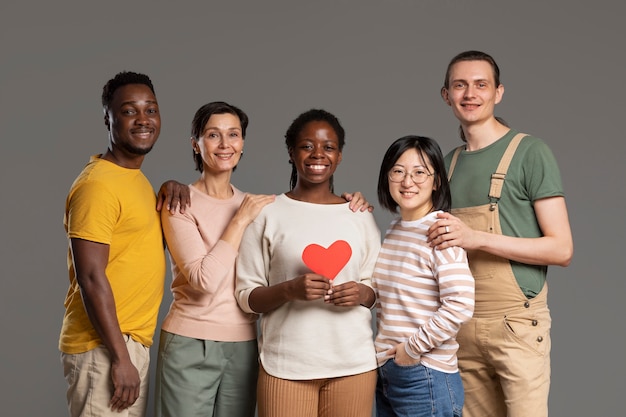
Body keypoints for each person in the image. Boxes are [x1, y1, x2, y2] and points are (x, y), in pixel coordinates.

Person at [155, 103, 373, 417]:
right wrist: (238, 220)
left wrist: (351, 204)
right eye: (213, 135)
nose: (225, 144)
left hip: (245, 342)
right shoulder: (182, 201)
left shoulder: (259, 205)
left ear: (242, 144)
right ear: (196, 143)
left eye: (233, 135)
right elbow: (205, 280)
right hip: (192, 337)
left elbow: (302, 213)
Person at [428, 50, 574, 417]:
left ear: (499, 92)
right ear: (446, 95)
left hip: (517, 324)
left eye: (481, 84)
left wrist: (476, 239)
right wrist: (355, 202)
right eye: (460, 85)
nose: (470, 94)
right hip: (461, 324)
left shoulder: (530, 152)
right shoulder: (447, 164)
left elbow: (562, 249)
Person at [235, 109, 381, 417]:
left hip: (354, 364)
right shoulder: (267, 214)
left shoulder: (359, 215)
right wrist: (288, 290)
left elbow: (376, 289)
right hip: (286, 364)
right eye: (307, 146)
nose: (318, 154)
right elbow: (246, 298)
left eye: (328, 147)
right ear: (291, 152)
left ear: (340, 156)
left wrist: (361, 294)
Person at [59, 71, 188, 417]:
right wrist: (119, 357)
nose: (143, 119)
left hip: (129, 344)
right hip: (104, 346)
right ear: (108, 118)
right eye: (130, 111)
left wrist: (170, 186)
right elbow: (90, 277)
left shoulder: (136, 180)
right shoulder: (97, 186)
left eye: (151, 109)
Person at [373, 135, 475, 417]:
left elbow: (460, 304)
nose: (408, 182)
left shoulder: (441, 230)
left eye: (420, 172)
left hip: (424, 374)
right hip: (388, 371)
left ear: (437, 180)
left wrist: (411, 351)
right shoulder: (395, 229)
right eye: (398, 171)